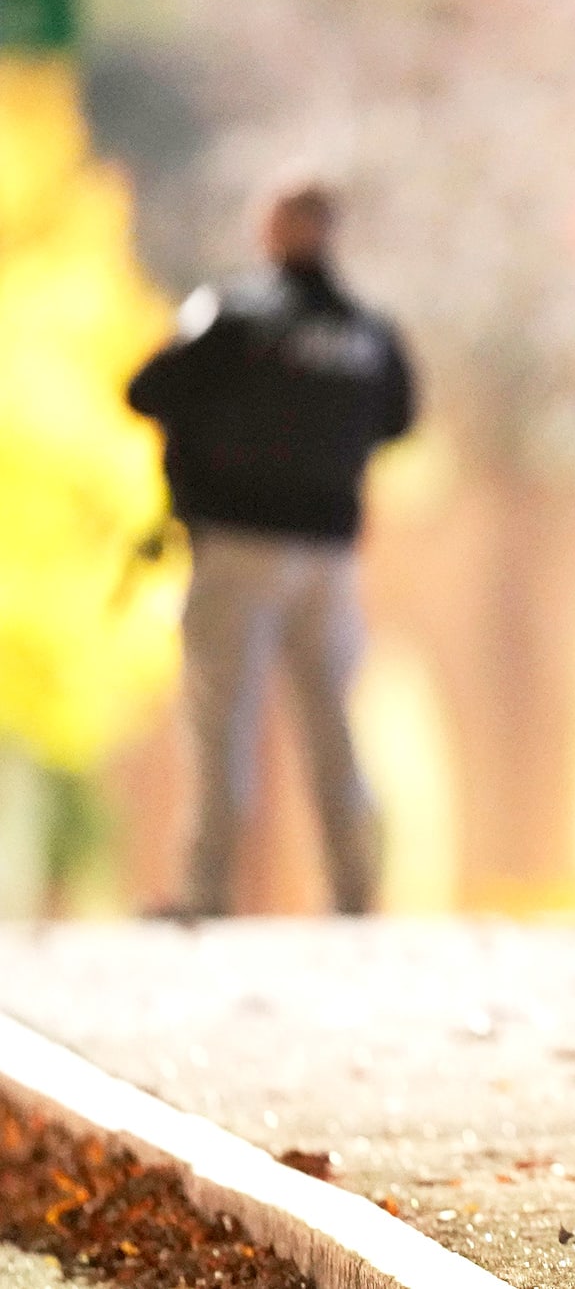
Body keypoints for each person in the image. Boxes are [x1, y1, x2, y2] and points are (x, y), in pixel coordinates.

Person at [127, 183, 417, 918]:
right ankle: (356, 891)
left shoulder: (231, 319)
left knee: (223, 719)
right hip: (328, 552)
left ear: (276, 232)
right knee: (334, 724)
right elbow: (399, 418)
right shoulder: (369, 334)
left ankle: (207, 889)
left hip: (237, 544)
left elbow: (146, 389)